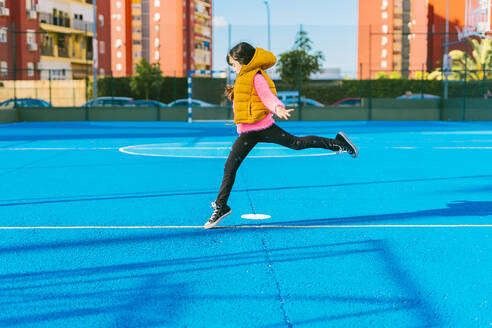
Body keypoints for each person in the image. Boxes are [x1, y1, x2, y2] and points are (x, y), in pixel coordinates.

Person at [204, 42, 358, 229]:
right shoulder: (243, 77)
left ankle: (338, 143)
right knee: (229, 167)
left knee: (296, 143)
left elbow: (267, 95)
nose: (233, 69)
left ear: (243, 61)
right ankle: (221, 207)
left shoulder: (256, 76)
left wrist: (277, 107)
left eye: (234, 64)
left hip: (263, 127)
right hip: (247, 133)